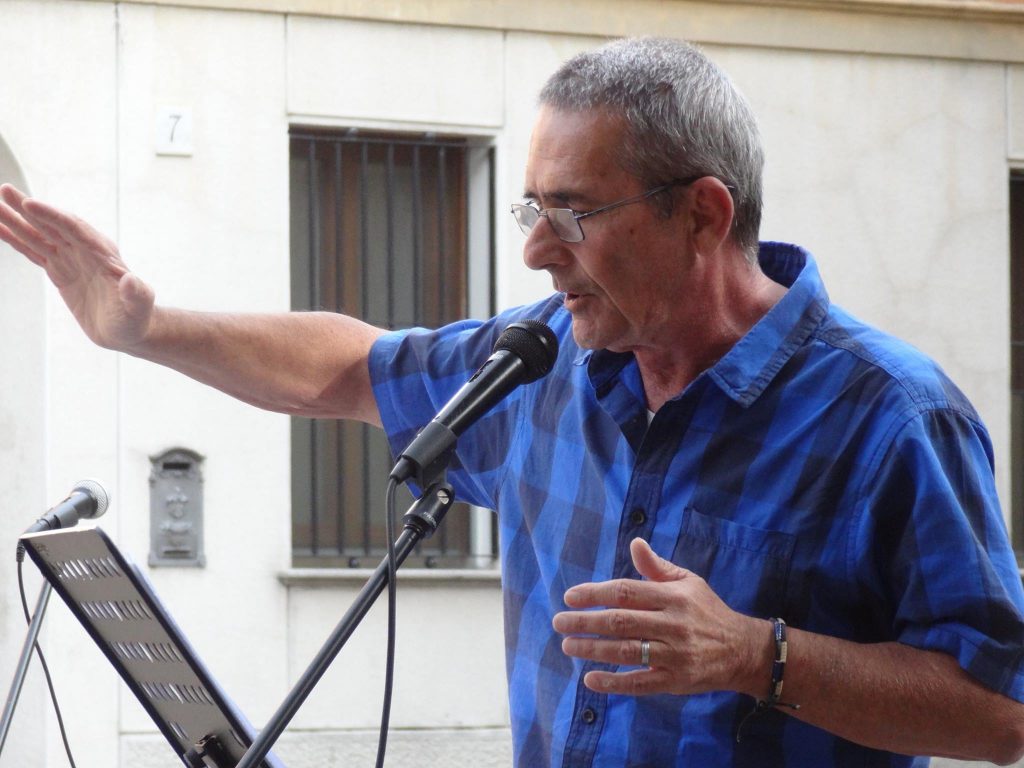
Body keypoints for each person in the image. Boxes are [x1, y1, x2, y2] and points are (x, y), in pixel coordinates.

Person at [2, 36, 1023, 768]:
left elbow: (1000, 712)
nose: (535, 250)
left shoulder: (892, 417)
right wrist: (148, 328)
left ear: (703, 214)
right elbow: (349, 368)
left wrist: (756, 655)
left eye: (572, 213)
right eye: (532, 207)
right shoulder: (541, 364)